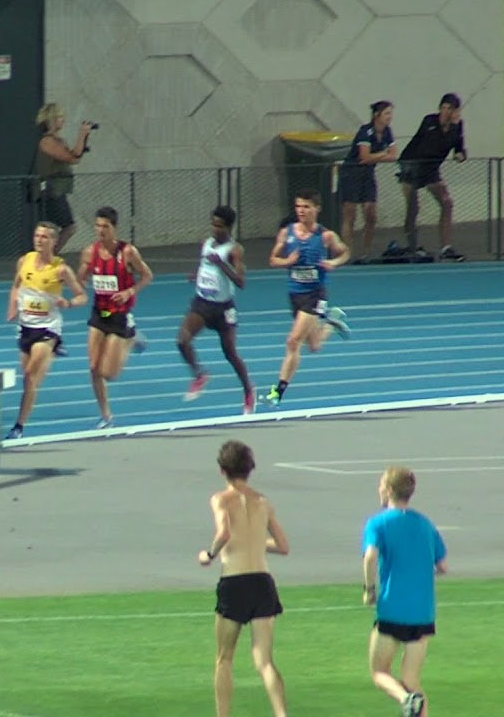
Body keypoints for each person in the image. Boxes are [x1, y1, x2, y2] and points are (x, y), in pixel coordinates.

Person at [197, 440, 290, 717]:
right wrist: (255, 541)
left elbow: (224, 532)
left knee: (224, 658)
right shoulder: (262, 501)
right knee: (265, 662)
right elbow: (283, 546)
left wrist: (209, 554)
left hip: (235, 581)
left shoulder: (220, 499)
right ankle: (282, 714)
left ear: (222, 470)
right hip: (262, 581)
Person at [362, 466, 448, 717]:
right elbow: (442, 566)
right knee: (412, 678)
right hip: (422, 614)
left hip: (393, 609)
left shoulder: (378, 523)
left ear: (389, 490)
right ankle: (413, 701)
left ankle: (405, 698)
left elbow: (370, 557)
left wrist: (369, 589)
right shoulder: (424, 524)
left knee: (379, 671)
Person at [258, 189, 351, 408]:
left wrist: (333, 263)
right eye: (298, 206)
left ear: (317, 209)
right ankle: (331, 321)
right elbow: (273, 259)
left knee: (292, 341)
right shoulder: (286, 233)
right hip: (295, 293)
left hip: (315, 294)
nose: (301, 211)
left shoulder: (326, 236)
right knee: (314, 345)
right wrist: (288, 261)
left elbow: (345, 252)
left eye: (306, 207)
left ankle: (277, 392)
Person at [4, 221, 88, 440]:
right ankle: (54, 351)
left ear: (54, 241)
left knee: (30, 378)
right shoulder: (25, 261)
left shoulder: (61, 269)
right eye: (37, 236)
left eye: (44, 237)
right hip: (25, 327)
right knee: (29, 379)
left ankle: (18, 426)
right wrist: (12, 307)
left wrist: (68, 303)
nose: (39, 240)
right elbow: (15, 286)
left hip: (47, 328)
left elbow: (82, 296)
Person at [76, 206, 153, 429]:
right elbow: (80, 278)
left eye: (105, 227)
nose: (100, 231)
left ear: (114, 228)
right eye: (97, 226)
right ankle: (106, 415)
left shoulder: (127, 252)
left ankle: (131, 338)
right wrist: (77, 284)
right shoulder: (89, 252)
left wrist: (130, 291)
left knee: (109, 374)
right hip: (100, 313)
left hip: (119, 316)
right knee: (93, 367)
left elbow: (147, 276)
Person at [177, 205, 254, 414]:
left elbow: (241, 282)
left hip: (223, 308)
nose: (214, 228)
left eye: (219, 226)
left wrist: (221, 264)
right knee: (182, 341)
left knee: (230, 353)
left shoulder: (234, 250)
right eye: (212, 223)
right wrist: (196, 275)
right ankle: (199, 375)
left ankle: (248, 390)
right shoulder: (207, 243)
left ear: (229, 227)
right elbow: (204, 263)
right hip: (202, 303)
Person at [396, 92, 468, 262]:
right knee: (413, 208)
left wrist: (460, 155)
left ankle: (446, 247)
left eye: (449, 109)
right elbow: (432, 145)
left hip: (431, 169)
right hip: (412, 165)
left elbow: (459, 148)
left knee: (447, 202)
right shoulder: (429, 121)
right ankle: (413, 246)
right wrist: (448, 129)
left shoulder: (457, 127)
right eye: (442, 108)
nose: (445, 112)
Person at [31, 102, 95, 251]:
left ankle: (48, 253)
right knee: (66, 227)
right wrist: (81, 134)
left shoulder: (58, 141)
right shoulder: (47, 142)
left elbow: (76, 157)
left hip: (58, 190)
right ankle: (48, 254)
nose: (63, 120)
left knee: (62, 228)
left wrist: (84, 137)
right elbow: (71, 157)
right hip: (49, 191)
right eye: (59, 117)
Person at [341, 101, 398, 264]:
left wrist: (378, 156)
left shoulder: (387, 132)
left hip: (368, 173)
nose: (389, 117)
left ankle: (365, 253)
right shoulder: (365, 132)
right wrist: (382, 153)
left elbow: (393, 155)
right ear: (376, 115)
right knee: (350, 214)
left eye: (390, 113)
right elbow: (364, 157)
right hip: (351, 173)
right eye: (386, 113)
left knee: (371, 213)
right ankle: (347, 253)